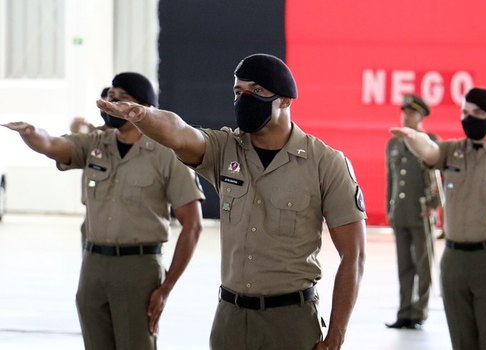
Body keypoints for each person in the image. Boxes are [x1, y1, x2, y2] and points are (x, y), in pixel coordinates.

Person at [96, 53, 367, 350]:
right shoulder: (224, 149)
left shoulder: (326, 163)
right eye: (239, 91)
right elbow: (179, 132)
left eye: (257, 91)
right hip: (231, 320)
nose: (244, 98)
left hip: (292, 321)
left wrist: (336, 335)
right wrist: (143, 115)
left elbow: (353, 255)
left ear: (286, 100)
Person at [2, 72, 205, 350]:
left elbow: (192, 225)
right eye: (110, 97)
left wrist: (165, 288)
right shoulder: (96, 143)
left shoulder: (167, 154)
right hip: (93, 267)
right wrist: (30, 133)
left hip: (138, 269)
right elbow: (53, 145)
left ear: (143, 107)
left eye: (122, 99)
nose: (112, 103)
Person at [390, 87, 486, 350]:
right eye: (465, 112)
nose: (470, 118)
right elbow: (430, 152)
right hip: (454, 261)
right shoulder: (454, 150)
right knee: (461, 341)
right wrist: (414, 138)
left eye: (478, 113)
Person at [385, 95, 441, 330]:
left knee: (423, 264)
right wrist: (390, 206)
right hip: (401, 212)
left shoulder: (431, 141)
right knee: (404, 265)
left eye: (411, 112)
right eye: (404, 112)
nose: (406, 116)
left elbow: (439, 178)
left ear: (420, 116)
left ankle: (420, 311)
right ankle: (404, 310)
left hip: (421, 212)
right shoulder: (394, 144)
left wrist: (433, 203)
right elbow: (392, 178)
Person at [69, 86, 111, 249]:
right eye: (105, 101)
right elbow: (77, 137)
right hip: (94, 211)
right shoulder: (94, 136)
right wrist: (75, 127)